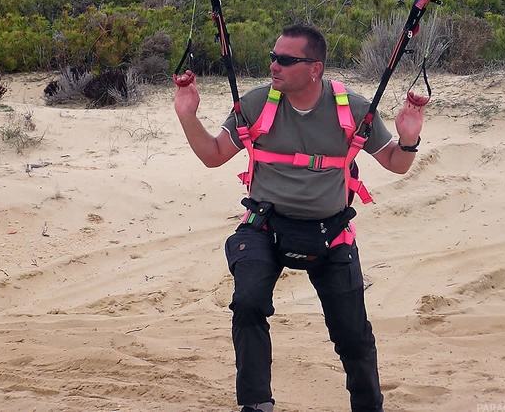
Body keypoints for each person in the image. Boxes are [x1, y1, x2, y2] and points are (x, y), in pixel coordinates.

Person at [174, 23, 428, 412]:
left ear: (315, 69)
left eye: (286, 60)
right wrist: (188, 115)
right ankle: (256, 404)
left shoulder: (353, 109)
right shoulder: (258, 103)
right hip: (265, 227)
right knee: (248, 304)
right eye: (273, 57)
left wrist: (409, 137)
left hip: (331, 234)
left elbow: (396, 163)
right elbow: (212, 155)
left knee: (353, 336)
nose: (274, 66)